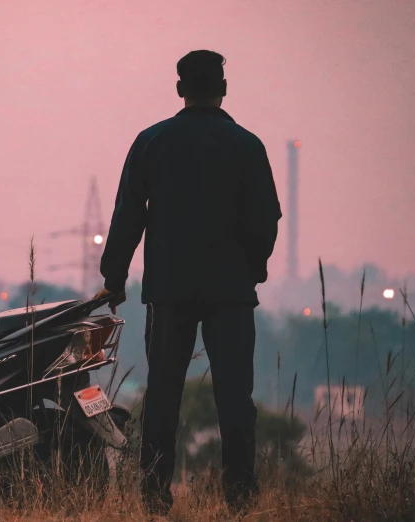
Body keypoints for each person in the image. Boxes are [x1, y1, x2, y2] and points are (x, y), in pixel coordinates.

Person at [94, 50, 281, 515]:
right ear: (223, 89)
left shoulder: (152, 142)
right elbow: (266, 221)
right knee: (236, 398)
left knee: (162, 396)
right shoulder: (247, 145)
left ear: (180, 89)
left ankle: (155, 498)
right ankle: (239, 497)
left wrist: (114, 278)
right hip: (231, 293)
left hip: (169, 291)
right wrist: (250, 271)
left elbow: (127, 216)